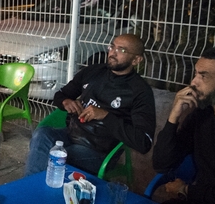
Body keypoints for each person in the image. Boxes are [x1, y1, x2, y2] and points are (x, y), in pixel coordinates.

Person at [24, 33, 156, 176]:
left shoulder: (140, 91)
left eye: (121, 50)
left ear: (136, 60)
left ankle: (39, 187)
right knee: (42, 134)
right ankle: (33, 185)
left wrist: (105, 116)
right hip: (71, 134)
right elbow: (61, 95)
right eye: (112, 47)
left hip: (100, 150)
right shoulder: (93, 72)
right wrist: (66, 102)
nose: (113, 52)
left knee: (59, 158)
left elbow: (143, 142)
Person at [152, 46, 215, 204]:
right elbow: (162, 164)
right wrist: (173, 117)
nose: (194, 82)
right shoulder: (201, 116)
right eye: (195, 74)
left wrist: (186, 190)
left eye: (204, 76)